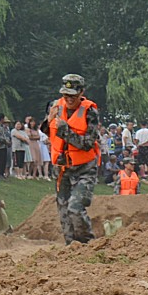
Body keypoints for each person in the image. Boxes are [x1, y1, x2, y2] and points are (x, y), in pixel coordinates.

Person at [47, 74, 102, 244]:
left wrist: (65, 130)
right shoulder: (55, 106)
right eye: (66, 95)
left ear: (81, 92)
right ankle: (71, 246)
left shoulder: (90, 112)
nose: (69, 99)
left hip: (84, 167)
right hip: (62, 167)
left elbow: (86, 144)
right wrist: (48, 121)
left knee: (75, 208)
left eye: (73, 95)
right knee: (63, 209)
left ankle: (87, 242)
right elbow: (48, 131)